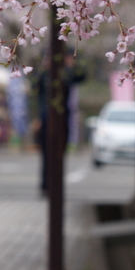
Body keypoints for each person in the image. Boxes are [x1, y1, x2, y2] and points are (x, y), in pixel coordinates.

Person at [36, 52, 85, 195]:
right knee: (46, 154)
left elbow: (81, 76)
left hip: (63, 119)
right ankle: (46, 185)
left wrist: (72, 64)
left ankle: (56, 185)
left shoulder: (67, 74)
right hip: (46, 119)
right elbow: (37, 91)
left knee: (60, 154)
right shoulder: (44, 75)